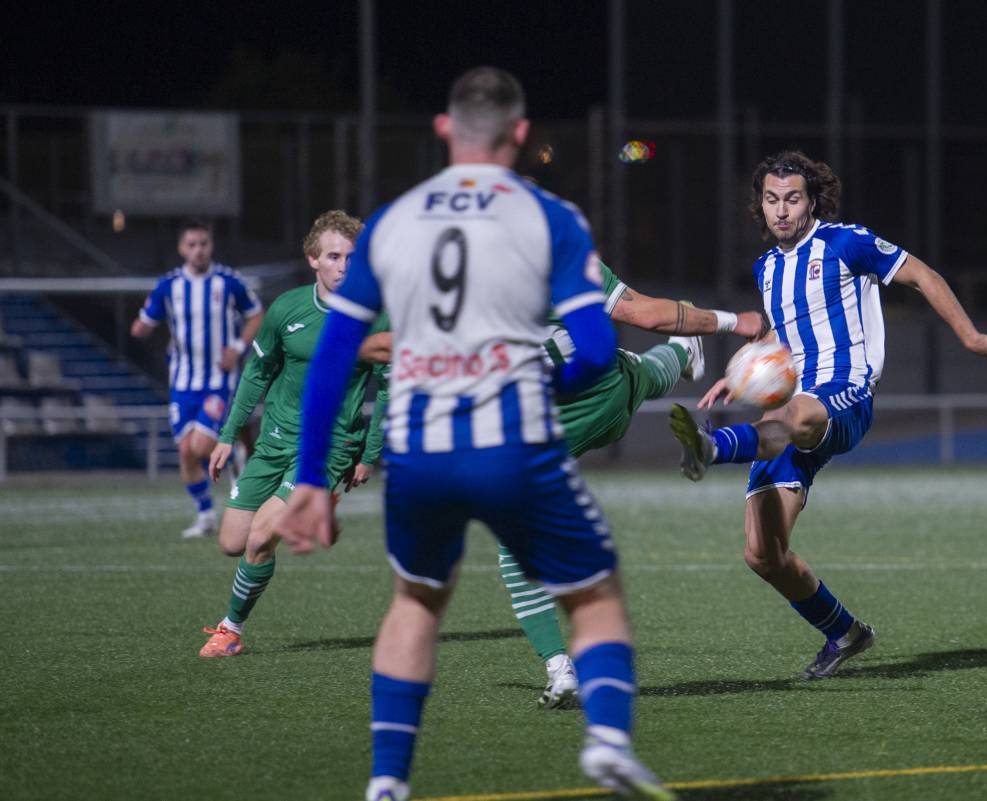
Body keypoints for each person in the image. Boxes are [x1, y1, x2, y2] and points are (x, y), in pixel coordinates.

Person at [274, 67, 675, 801]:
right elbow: (595, 349)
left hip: (419, 449)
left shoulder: (392, 221)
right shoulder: (551, 217)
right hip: (513, 442)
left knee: (416, 602)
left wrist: (309, 478)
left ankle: (387, 781)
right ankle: (610, 742)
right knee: (594, 595)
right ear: (520, 134)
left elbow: (336, 351)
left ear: (442, 129)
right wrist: (540, 389)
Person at [669, 150, 987, 679]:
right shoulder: (766, 268)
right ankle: (846, 633)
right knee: (763, 554)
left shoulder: (845, 242)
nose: (781, 210)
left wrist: (971, 337)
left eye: (792, 199)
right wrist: (740, 373)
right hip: (790, 410)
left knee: (795, 417)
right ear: (760, 205)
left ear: (811, 202)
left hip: (843, 392)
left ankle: (712, 447)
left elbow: (922, 275)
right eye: (771, 199)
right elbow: (781, 332)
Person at [359, 262, 763, 708]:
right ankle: (683, 353)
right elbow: (647, 314)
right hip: (606, 395)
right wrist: (734, 320)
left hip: (543, 427)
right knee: (638, 373)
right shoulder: (565, 257)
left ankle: (560, 668)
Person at [197, 210, 389, 657]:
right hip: (275, 441)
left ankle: (230, 631)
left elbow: (387, 391)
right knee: (232, 542)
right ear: (313, 259)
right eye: (334, 257)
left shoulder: (376, 318)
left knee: (261, 537)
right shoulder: (286, 309)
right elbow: (256, 373)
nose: (344, 267)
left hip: (329, 447)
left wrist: (369, 454)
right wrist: (227, 434)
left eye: (352, 258)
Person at [131, 220, 263, 538]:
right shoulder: (168, 286)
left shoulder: (229, 281)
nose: (198, 250)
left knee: (202, 445)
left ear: (211, 246)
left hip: (219, 379)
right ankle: (206, 517)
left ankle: (234, 454)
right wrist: (141, 327)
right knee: (185, 452)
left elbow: (256, 315)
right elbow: (144, 322)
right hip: (182, 382)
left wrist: (238, 347)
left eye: (203, 243)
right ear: (181, 248)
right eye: (192, 244)